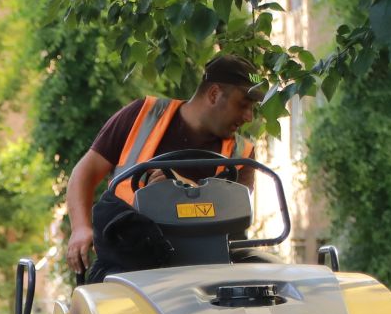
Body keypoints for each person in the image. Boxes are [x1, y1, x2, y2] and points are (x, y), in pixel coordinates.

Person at [62, 54, 262, 279]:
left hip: (206, 270)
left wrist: (182, 190)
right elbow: (84, 174)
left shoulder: (242, 155)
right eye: (243, 105)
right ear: (214, 94)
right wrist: (80, 228)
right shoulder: (141, 116)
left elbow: (235, 218)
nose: (248, 116)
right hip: (128, 264)